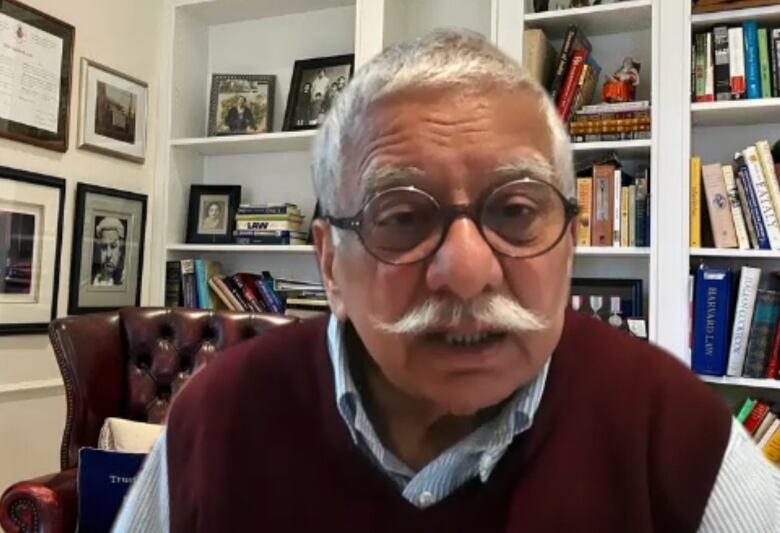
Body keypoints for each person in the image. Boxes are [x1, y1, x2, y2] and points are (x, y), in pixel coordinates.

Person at [114, 29, 780, 532]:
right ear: (329, 265)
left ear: (570, 243)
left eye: (516, 210)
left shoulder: (668, 428)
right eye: (401, 217)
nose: (466, 271)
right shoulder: (218, 418)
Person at [92, 217, 125, 286]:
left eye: (113, 246)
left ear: (121, 250)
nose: (108, 255)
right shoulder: (92, 279)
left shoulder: (127, 281)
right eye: (104, 247)